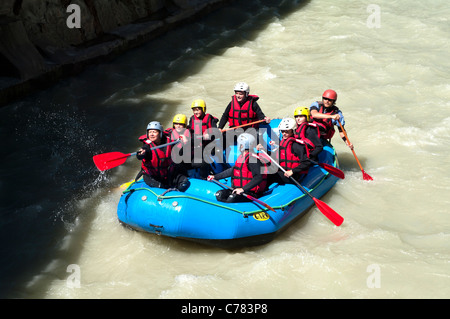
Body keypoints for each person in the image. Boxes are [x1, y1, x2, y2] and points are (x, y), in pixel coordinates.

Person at [207, 133, 268, 203]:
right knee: (219, 195)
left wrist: (243, 189)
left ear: (243, 145)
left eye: (239, 144)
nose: (238, 145)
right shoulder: (242, 157)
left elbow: (258, 177)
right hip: (238, 189)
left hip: (249, 192)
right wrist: (215, 176)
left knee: (231, 198)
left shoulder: (253, 160)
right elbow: (232, 171)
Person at [136, 121, 190, 191]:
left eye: (154, 132)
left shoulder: (168, 141)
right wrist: (141, 154)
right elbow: (141, 154)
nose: (151, 134)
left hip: (167, 175)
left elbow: (178, 142)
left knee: (184, 182)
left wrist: (183, 141)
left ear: (160, 133)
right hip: (153, 177)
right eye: (150, 132)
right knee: (162, 188)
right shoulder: (147, 147)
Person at [258, 118, 311, 185]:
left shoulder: (296, 145)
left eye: (287, 132)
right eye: (282, 131)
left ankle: (260, 191)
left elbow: (306, 162)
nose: (284, 134)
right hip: (283, 171)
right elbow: (274, 156)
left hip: (294, 176)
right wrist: (263, 149)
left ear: (293, 131)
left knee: (269, 176)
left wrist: (292, 171)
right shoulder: (283, 142)